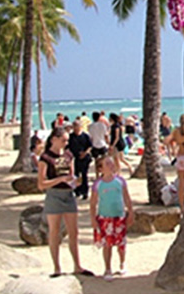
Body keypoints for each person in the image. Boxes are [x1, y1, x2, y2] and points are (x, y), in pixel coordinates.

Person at [37, 126, 92, 278]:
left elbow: (71, 175)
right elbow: (41, 184)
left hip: (68, 194)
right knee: (54, 232)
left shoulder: (68, 155)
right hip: (54, 195)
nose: (65, 143)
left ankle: (77, 265)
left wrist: (76, 182)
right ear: (54, 139)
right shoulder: (46, 158)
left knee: (73, 232)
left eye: (67, 141)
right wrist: (59, 180)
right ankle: (57, 267)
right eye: (63, 140)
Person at [89, 156, 134, 280]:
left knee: (121, 243)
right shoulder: (98, 184)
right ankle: (107, 268)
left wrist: (131, 212)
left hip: (119, 216)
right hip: (105, 217)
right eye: (107, 164)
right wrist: (93, 219)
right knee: (107, 244)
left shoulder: (120, 181)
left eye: (112, 163)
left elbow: (126, 197)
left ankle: (122, 263)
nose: (111, 166)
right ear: (101, 168)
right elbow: (93, 203)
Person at [68, 119, 93, 199]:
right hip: (75, 158)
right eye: (74, 127)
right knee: (76, 175)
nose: (76, 129)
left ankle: (85, 192)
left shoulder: (85, 136)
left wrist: (85, 153)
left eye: (77, 127)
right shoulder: (71, 136)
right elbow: (67, 147)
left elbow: (90, 146)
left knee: (84, 175)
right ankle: (77, 191)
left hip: (85, 157)